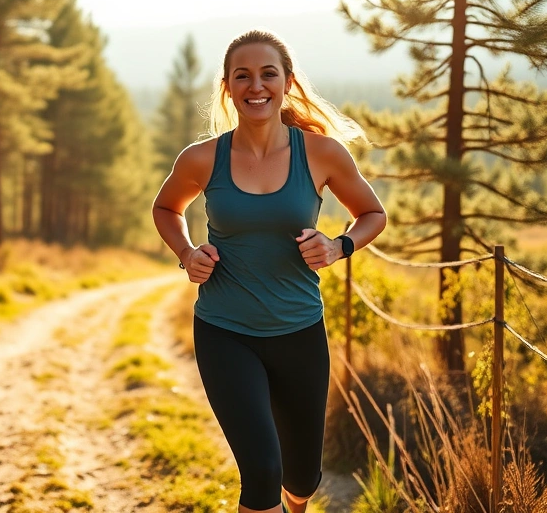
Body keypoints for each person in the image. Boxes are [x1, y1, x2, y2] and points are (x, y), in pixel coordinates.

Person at [151, 29, 387, 513]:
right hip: (224, 329)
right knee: (261, 470)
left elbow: (373, 214)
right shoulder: (202, 159)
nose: (255, 86)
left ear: (287, 83)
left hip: (299, 331)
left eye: (267, 74)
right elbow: (166, 208)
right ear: (227, 87)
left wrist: (338, 245)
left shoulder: (321, 154)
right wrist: (186, 252)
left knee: (301, 479)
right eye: (243, 76)